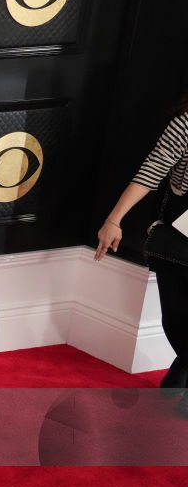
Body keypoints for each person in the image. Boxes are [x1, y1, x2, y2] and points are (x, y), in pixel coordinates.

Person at [95, 94, 188, 407]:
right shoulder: (186, 120)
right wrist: (114, 219)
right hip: (180, 232)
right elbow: (154, 168)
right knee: (174, 318)